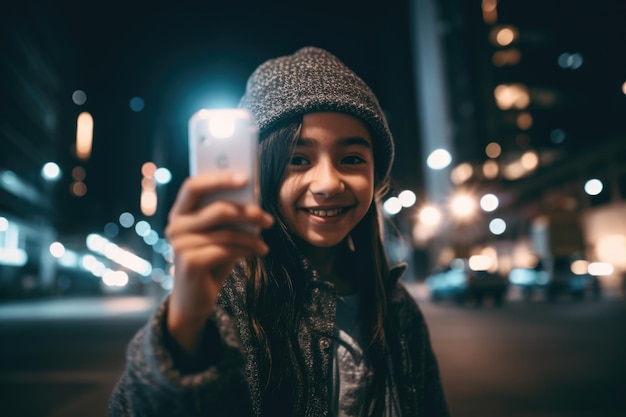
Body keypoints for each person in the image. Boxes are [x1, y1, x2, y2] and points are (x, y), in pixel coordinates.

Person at [109, 46, 450, 417]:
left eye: (351, 159)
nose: (328, 183)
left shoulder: (397, 308)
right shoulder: (224, 298)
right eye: (297, 160)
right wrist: (188, 313)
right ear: (260, 173)